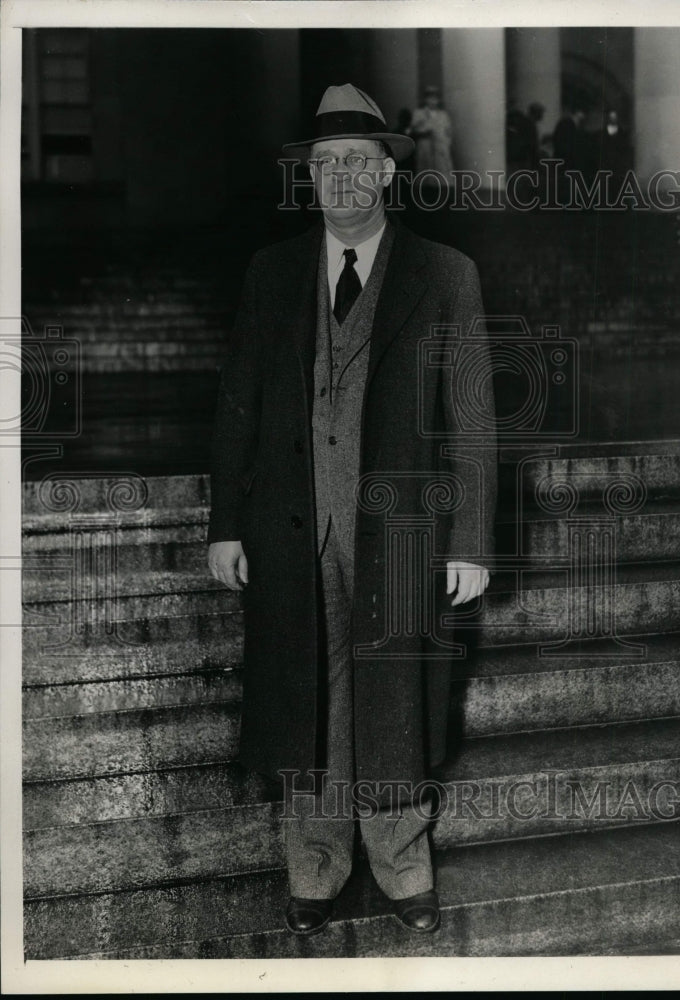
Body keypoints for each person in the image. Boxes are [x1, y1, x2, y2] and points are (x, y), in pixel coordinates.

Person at [207, 83, 496, 938]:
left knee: (394, 703)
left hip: (402, 534)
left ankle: (404, 871)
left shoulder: (446, 275)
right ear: (308, 179)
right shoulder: (270, 274)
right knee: (308, 701)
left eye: (356, 164)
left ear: (386, 175)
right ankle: (316, 867)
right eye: (323, 165)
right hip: (291, 530)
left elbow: (472, 418)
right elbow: (238, 409)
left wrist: (471, 538)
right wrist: (226, 523)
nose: (339, 180)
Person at [410, 84, 454, 183]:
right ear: (426, 99)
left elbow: (448, 132)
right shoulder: (419, 113)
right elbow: (414, 130)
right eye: (430, 98)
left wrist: (446, 144)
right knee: (425, 173)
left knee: (442, 174)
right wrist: (424, 132)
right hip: (425, 146)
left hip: (440, 147)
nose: (432, 101)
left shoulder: (443, 115)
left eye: (435, 98)